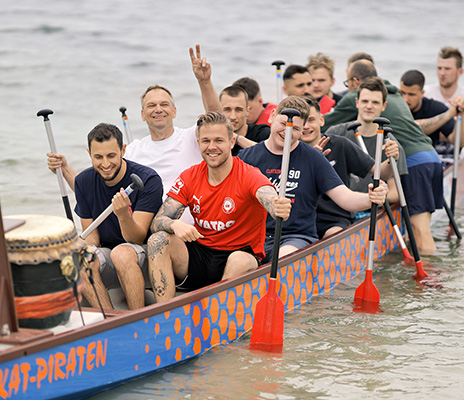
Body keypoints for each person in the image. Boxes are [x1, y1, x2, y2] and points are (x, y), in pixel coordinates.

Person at [47, 44, 220, 224]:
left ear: (174, 111)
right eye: (151, 106)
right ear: (142, 115)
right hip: (146, 229)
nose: (158, 109)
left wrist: (204, 81)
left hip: (188, 227)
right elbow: (91, 189)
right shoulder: (132, 150)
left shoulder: (191, 138)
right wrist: (64, 168)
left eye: (164, 104)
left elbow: (216, 121)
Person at [146, 112, 291, 302]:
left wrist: (277, 206)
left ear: (231, 142)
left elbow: (268, 196)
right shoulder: (190, 176)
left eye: (219, 140)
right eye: (206, 141)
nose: (212, 147)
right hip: (200, 254)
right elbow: (157, 222)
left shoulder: (249, 175)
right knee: (157, 240)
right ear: (198, 143)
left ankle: (217, 309)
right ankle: (165, 311)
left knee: (239, 260)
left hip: (239, 255)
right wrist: (174, 225)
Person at [239, 96, 388, 257]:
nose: (287, 132)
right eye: (283, 124)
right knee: (237, 261)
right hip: (254, 236)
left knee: (284, 255)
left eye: (295, 128)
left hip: (295, 237)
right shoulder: (246, 157)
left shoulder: (313, 157)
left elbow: (345, 198)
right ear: (272, 116)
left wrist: (370, 198)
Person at [322, 66, 443, 255]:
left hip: (369, 211)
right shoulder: (336, 133)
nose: (369, 106)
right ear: (356, 102)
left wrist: (376, 198)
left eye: (375, 102)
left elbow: (396, 193)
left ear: (384, 106)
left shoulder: (391, 145)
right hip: (338, 212)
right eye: (365, 101)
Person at [73, 123, 163, 310]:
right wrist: (78, 246)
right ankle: (109, 319)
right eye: (98, 157)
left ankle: (137, 318)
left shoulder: (148, 180)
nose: (105, 164)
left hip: (145, 256)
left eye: (111, 156)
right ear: (89, 154)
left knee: (122, 253)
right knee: (81, 259)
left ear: (123, 150)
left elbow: (136, 238)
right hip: (109, 253)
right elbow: (92, 238)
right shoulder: (82, 181)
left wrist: (123, 215)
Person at [301, 96, 399, 238]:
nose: (306, 126)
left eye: (311, 120)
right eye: (302, 122)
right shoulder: (288, 150)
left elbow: (381, 173)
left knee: (333, 236)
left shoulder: (340, 144)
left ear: (321, 120)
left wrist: (392, 159)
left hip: (334, 219)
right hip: (300, 219)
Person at [399, 69, 464, 162]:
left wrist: (462, 112)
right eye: (402, 93)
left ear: (422, 93)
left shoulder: (436, 109)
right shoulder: (395, 107)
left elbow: (459, 142)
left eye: (411, 94)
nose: (405, 99)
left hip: (426, 160)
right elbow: (410, 128)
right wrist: (448, 115)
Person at [219, 85, 270, 156]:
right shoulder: (215, 138)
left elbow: (268, 156)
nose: (233, 116)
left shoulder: (263, 133)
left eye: (238, 110)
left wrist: (237, 138)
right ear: (220, 112)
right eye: (227, 110)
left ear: (247, 111)